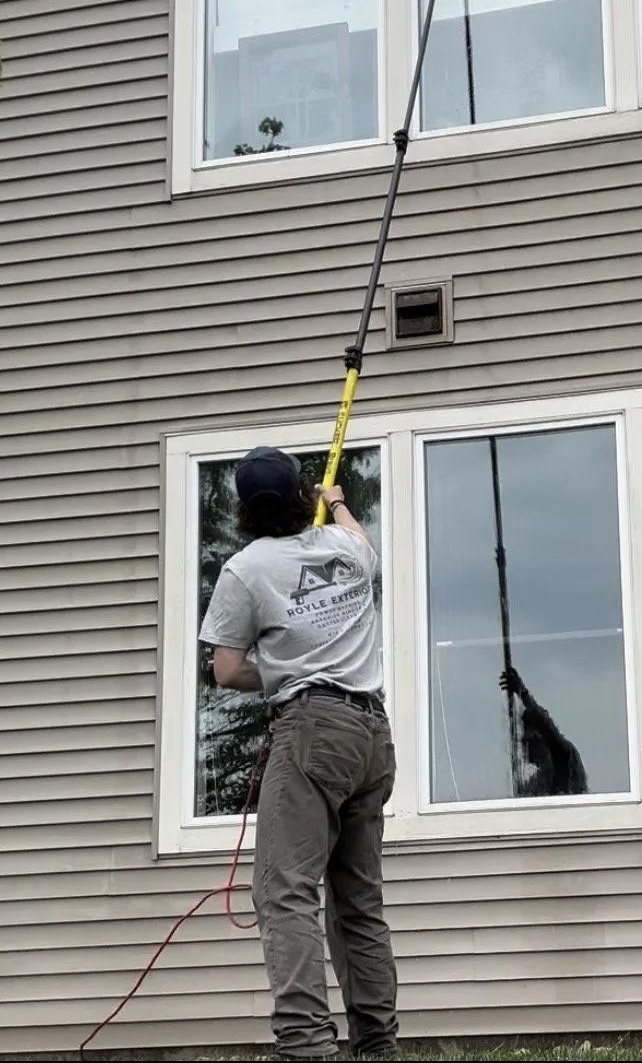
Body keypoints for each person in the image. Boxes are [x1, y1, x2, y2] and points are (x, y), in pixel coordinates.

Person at [199, 446, 397, 1062]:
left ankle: (307, 1046)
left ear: (241, 511)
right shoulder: (346, 550)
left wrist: (286, 670)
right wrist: (336, 501)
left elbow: (226, 670)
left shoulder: (245, 569)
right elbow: (359, 536)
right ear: (300, 496)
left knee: (284, 892)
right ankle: (377, 1044)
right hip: (371, 735)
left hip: (311, 731)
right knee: (357, 897)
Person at [499, 665, 589, 797]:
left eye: (529, 742)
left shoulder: (565, 757)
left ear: (541, 737)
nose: (525, 749)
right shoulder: (540, 779)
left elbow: (546, 725)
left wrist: (522, 693)